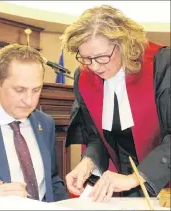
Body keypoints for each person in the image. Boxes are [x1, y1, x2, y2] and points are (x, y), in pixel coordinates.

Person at [60, 5, 170, 202]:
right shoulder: (84, 78)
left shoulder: (162, 64)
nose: (93, 67)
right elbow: (96, 136)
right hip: (119, 187)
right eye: (86, 58)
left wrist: (135, 178)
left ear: (124, 44)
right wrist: (89, 162)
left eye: (102, 57)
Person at [0, 43, 69, 204]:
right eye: (19, 90)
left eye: (36, 90)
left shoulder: (45, 123)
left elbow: (51, 180)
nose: (29, 101)